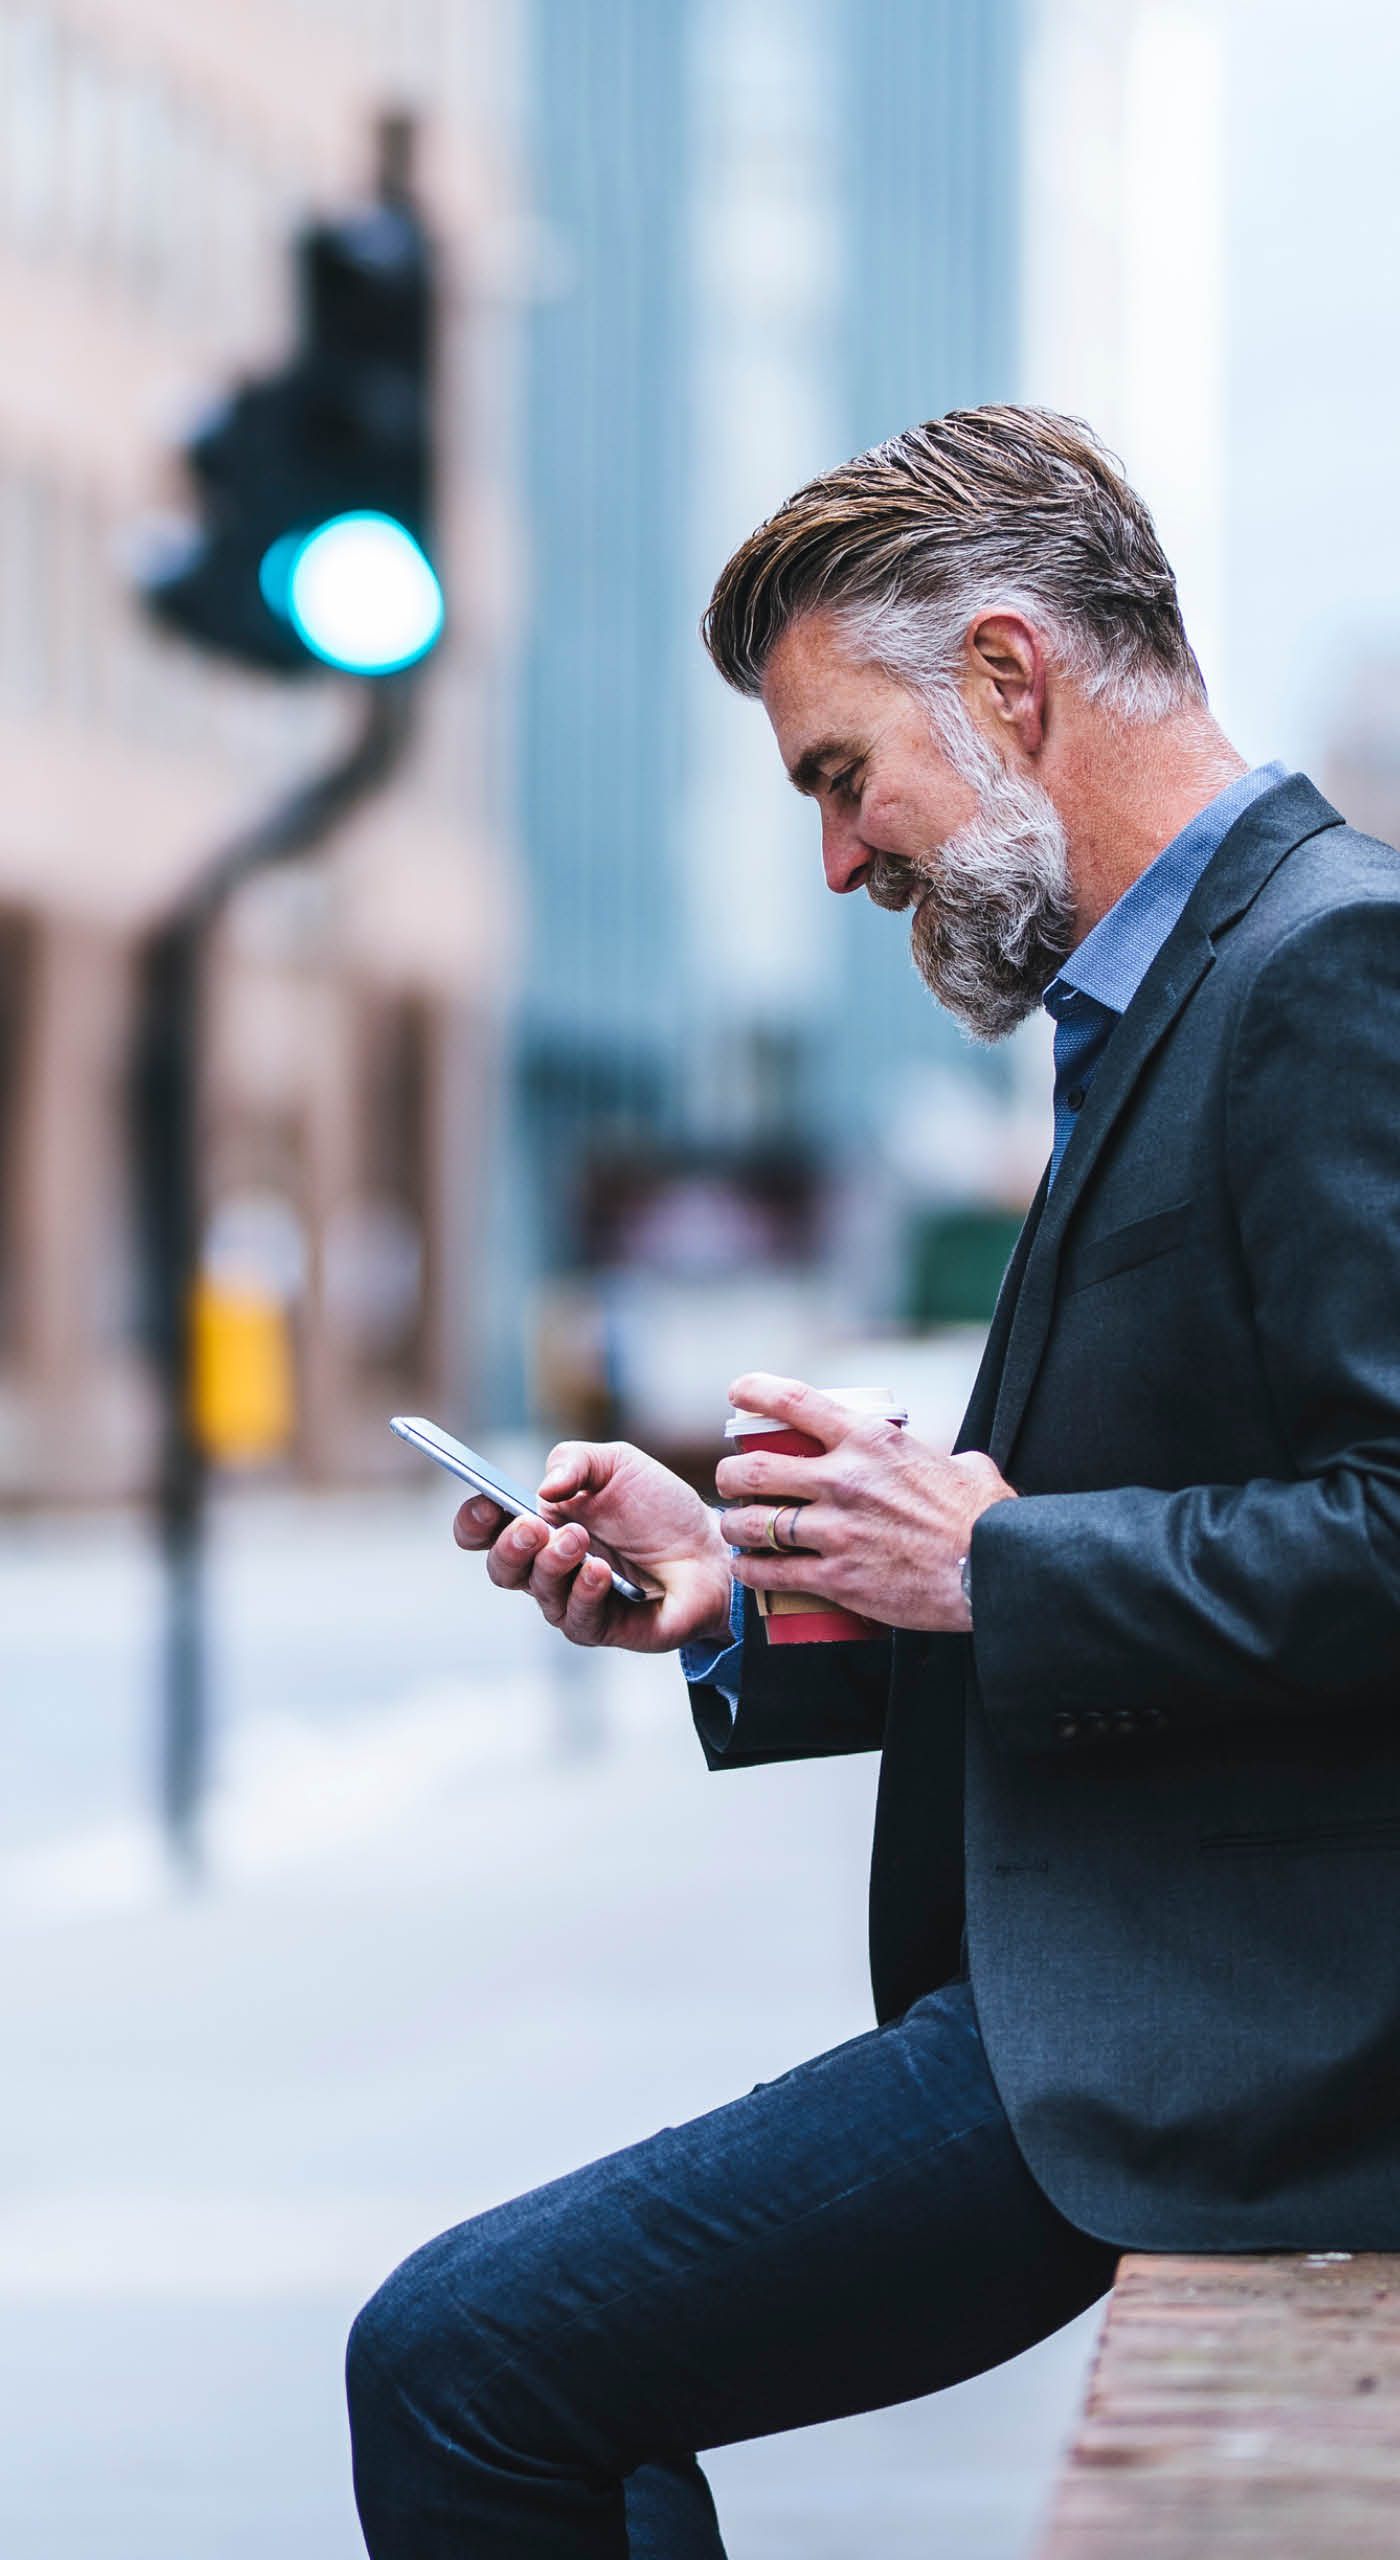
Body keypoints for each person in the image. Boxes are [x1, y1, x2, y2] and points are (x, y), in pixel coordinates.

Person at [346, 406, 1400, 2557]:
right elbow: (1121, 1511)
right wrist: (756, 1590)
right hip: (1122, 1991)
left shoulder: (1329, 969)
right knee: (502, 2369)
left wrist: (994, 1556)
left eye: (842, 774)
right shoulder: (1167, 993)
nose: (842, 858)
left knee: (463, 2367)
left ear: (1010, 678)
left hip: (1226, 2029)